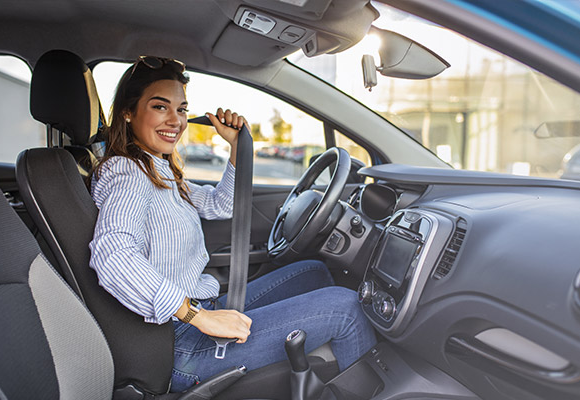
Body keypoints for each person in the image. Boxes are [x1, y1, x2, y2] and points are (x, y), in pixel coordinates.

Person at [89, 56, 376, 392]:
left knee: (313, 271)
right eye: (160, 107)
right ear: (128, 111)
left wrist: (238, 147)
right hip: (180, 343)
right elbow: (113, 255)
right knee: (347, 309)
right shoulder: (126, 174)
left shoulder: (158, 168)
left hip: (199, 307)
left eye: (181, 109)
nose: (176, 121)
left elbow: (219, 204)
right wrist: (200, 318)